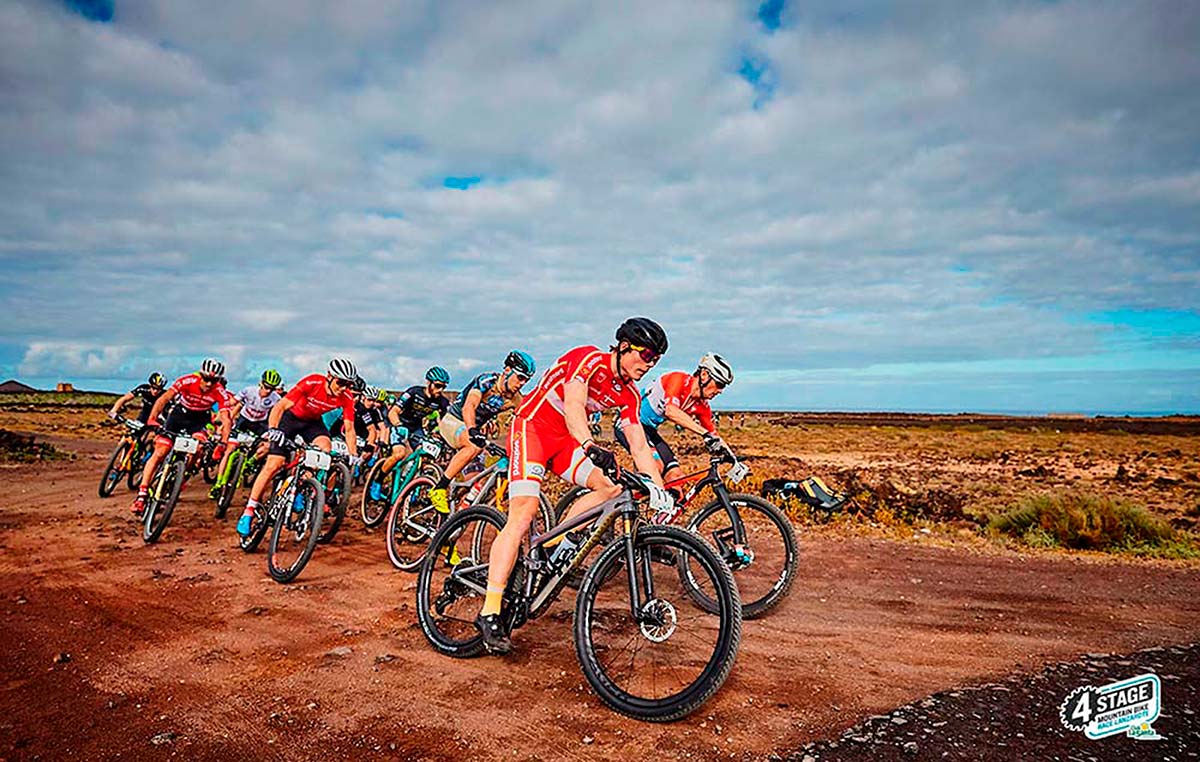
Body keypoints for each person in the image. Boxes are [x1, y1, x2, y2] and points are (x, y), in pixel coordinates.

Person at [476, 319, 668, 653]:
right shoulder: (587, 359)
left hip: (566, 441)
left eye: (656, 360)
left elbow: (638, 445)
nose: (649, 365)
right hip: (533, 430)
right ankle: (490, 610)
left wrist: (657, 487)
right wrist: (590, 444)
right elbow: (575, 406)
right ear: (623, 346)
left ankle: (556, 546)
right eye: (646, 355)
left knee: (611, 488)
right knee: (523, 514)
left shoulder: (629, 395)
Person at [235, 359, 361, 538]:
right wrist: (273, 430)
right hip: (290, 419)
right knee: (274, 464)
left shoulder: (346, 397)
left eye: (348, 384)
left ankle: (301, 485)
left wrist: (353, 454)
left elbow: (349, 428)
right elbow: (280, 406)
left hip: (312, 423)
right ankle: (249, 511)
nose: (343, 387)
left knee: (325, 450)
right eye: (340, 382)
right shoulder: (312, 382)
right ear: (329, 377)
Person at [428, 351, 534, 514]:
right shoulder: (486, 381)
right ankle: (439, 488)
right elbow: (469, 406)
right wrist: (472, 429)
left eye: (526, 380)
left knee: (477, 484)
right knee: (473, 446)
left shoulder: (514, 398)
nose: (522, 383)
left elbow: (528, 421)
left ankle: (454, 518)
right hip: (454, 421)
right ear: (507, 370)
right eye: (520, 377)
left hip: (474, 434)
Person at [130, 360, 229, 515]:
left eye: (214, 380)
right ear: (200, 374)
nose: (209, 383)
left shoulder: (219, 391)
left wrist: (223, 443)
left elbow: (226, 418)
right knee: (161, 451)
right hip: (178, 417)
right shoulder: (187, 381)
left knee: (199, 447)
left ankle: (183, 475)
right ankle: (142, 495)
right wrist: (153, 418)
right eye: (206, 378)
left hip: (199, 421)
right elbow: (164, 399)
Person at [614, 353, 734, 482]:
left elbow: (714, 435)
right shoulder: (678, 380)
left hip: (648, 430)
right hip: (628, 423)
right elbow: (671, 411)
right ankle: (623, 497)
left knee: (676, 476)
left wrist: (734, 460)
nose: (720, 391)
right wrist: (704, 434)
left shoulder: (702, 406)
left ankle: (666, 501)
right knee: (655, 467)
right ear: (704, 375)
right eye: (720, 384)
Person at [373, 367, 451, 499]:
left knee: (424, 456)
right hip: (400, 423)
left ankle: (412, 486)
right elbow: (393, 412)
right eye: (438, 386)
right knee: (399, 454)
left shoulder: (441, 401)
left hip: (416, 428)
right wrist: (398, 425)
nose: (440, 390)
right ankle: (377, 481)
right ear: (429, 383)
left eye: (443, 387)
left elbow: (447, 421)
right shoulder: (413, 392)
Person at [208, 370, 284, 497]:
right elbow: (232, 403)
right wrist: (223, 418)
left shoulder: (276, 399)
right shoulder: (248, 391)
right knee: (229, 450)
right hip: (244, 421)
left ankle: (251, 462)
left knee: (268, 446)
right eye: (266, 387)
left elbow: (280, 414)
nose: (268, 391)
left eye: (271, 389)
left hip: (260, 424)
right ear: (260, 383)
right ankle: (218, 483)